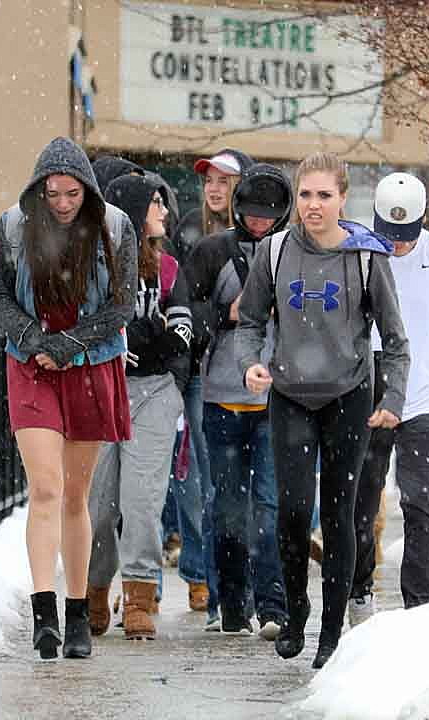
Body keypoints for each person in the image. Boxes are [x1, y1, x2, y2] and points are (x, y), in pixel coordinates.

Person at [234, 152, 410, 669]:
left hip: (348, 397)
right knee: (291, 513)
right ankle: (297, 610)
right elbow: (249, 323)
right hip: (289, 395)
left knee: (340, 513)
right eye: (305, 195)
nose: (313, 205)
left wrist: (393, 399)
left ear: (342, 198)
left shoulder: (365, 257)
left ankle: (331, 633)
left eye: (324, 195)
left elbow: (396, 340)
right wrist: (251, 364)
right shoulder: (273, 252)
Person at [0, 136, 137, 660]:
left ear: (87, 191)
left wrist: (69, 344)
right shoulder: (12, 227)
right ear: (39, 189)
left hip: (92, 363)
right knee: (46, 487)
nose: (64, 203)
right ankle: (43, 612)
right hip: (31, 365)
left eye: (73, 193)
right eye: (53, 193)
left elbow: (122, 306)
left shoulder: (116, 228)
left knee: (77, 494)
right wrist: (34, 341)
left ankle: (78, 611)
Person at [350, 172, 429, 624]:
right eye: (390, 235)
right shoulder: (361, 254)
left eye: (405, 236)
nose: (398, 245)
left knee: (421, 501)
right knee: (362, 496)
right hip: (371, 391)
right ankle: (359, 590)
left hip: (426, 398)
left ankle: (418, 605)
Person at [185, 163, 291, 638]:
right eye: (251, 214)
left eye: (268, 216)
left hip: (277, 400)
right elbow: (184, 312)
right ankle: (231, 607)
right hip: (222, 398)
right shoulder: (213, 251)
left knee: (269, 507)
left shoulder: (294, 255)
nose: (259, 223)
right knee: (227, 507)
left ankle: (273, 606)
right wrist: (226, 315)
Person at [86, 174, 193, 640]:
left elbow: (182, 327)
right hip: (102, 391)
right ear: (131, 213)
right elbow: (95, 321)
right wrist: (131, 337)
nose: (165, 213)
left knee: (142, 501)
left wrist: (149, 341)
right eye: (155, 204)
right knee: (99, 505)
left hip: (154, 392)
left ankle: (140, 594)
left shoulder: (168, 268)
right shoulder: (97, 266)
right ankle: (91, 590)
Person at [169, 148, 254, 629]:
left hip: (244, 375)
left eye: (226, 180)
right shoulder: (189, 234)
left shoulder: (267, 241)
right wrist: (221, 315)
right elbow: (180, 304)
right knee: (195, 480)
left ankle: (225, 584)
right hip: (196, 370)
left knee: (233, 486)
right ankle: (203, 576)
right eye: (209, 180)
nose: (216, 188)